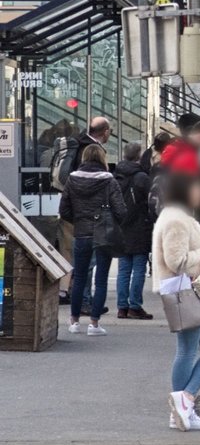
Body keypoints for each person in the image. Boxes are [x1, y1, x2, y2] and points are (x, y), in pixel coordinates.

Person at [152, 172, 200, 432]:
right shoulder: (177, 219)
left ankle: (182, 410)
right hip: (185, 292)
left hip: (186, 293)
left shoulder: (176, 215)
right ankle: (185, 401)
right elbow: (176, 261)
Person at [59, 143, 125, 335]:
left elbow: (64, 209)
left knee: (79, 277)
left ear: (84, 158)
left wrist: (78, 220)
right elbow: (120, 210)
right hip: (103, 234)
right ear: (102, 159)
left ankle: (74, 322)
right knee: (101, 280)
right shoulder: (109, 181)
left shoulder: (72, 179)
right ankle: (94, 324)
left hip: (81, 233)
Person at [114, 142, 154, 320]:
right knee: (139, 268)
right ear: (139, 156)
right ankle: (135, 305)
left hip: (121, 227)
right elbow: (151, 202)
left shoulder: (116, 176)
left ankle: (122, 306)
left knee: (124, 269)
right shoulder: (142, 177)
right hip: (139, 226)